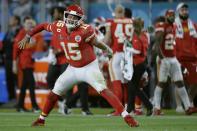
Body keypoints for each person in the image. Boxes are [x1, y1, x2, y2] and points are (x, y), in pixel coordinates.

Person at [18, 5, 139, 127]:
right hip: (72, 68)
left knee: (103, 90)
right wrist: (29, 35)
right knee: (54, 93)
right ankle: (41, 120)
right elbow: (43, 25)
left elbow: (96, 42)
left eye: (74, 17)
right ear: (65, 16)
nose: (71, 19)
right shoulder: (58, 27)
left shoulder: (85, 30)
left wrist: (107, 49)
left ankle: (127, 116)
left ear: (80, 19)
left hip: (89, 67)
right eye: (69, 16)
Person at [152, 9, 195, 115]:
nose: (172, 17)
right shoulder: (162, 26)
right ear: (166, 16)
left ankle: (188, 107)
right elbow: (156, 45)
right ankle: (157, 108)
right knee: (161, 83)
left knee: (180, 82)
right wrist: (162, 58)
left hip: (173, 58)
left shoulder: (174, 27)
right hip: (164, 58)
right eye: (170, 15)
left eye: (173, 15)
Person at [104, 5, 133, 115]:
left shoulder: (111, 22)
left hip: (116, 54)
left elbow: (107, 39)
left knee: (117, 82)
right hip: (128, 56)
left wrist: (100, 46)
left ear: (116, 12)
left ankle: (119, 110)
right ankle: (126, 108)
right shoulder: (131, 22)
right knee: (125, 83)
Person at [13, 16, 42, 112]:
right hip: (25, 62)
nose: (30, 24)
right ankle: (35, 106)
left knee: (25, 85)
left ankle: (20, 106)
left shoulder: (32, 34)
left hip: (29, 61)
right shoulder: (22, 33)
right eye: (27, 23)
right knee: (31, 84)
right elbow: (16, 48)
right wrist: (14, 62)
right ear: (24, 24)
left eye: (31, 23)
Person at [126, 18, 153, 116]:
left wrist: (128, 48)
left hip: (138, 63)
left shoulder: (138, 36)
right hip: (142, 62)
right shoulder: (145, 34)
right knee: (132, 86)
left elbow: (137, 51)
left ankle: (149, 105)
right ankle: (129, 108)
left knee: (134, 86)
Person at [175, 3, 197, 111]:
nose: (185, 12)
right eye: (182, 10)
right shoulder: (174, 25)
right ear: (178, 11)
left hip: (192, 58)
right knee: (179, 82)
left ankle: (188, 102)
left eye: (186, 10)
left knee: (195, 82)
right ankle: (179, 106)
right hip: (179, 58)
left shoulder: (193, 25)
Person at [2, 15, 21, 105]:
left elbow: (18, 44)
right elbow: (5, 43)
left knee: (16, 79)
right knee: (9, 79)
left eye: (12, 19)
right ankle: (11, 98)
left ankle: (18, 99)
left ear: (16, 21)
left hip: (15, 59)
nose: (10, 21)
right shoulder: (9, 31)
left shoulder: (19, 30)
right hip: (7, 58)